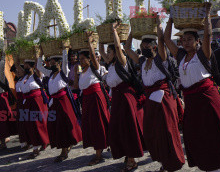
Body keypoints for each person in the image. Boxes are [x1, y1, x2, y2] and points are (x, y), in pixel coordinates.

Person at [164, 3, 220, 172]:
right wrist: (170, 18)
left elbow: (208, 35)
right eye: (183, 40)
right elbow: (167, 40)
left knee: (214, 134)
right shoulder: (181, 55)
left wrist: (206, 15)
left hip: (208, 100)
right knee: (198, 137)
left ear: (197, 41)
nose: (186, 42)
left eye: (190, 39)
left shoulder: (203, 54)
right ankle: (206, 166)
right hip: (192, 102)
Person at [125, 15, 185, 172]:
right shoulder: (142, 61)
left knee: (167, 131)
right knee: (154, 133)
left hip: (164, 99)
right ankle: (163, 161)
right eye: (142, 46)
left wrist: (159, 24)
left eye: (147, 46)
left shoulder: (161, 58)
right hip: (151, 101)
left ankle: (172, 162)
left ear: (154, 47)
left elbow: (161, 40)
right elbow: (126, 49)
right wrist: (132, 31)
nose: (144, 48)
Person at [100, 22, 144, 172]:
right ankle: (127, 156)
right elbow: (100, 52)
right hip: (118, 100)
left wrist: (114, 32)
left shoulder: (122, 62)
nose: (107, 54)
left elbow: (119, 48)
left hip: (126, 98)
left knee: (128, 128)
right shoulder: (110, 66)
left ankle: (131, 160)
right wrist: (99, 39)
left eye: (109, 52)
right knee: (118, 128)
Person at [37, 46, 82, 162]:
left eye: (53, 63)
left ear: (59, 63)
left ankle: (64, 150)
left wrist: (63, 49)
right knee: (56, 126)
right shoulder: (50, 74)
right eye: (50, 62)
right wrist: (40, 54)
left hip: (63, 102)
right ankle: (64, 147)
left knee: (65, 125)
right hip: (54, 103)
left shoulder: (63, 72)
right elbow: (38, 67)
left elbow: (65, 61)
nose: (51, 64)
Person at [74, 35, 110, 166]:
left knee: (98, 124)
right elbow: (77, 87)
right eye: (80, 59)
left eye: (83, 59)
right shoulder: (82, 71)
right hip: (87, 99)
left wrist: (90, 44)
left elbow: (94, 58)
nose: (81, 61)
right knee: (90, 125)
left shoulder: (94, 67)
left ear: (90, 59)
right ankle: (98, 150)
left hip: (96, 97)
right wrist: (75, 74)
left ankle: (99, 154)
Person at [21, 59, 50, 159]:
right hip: (27, 102)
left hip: (36, 101)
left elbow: (38, 67)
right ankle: (37, 144)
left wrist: (37, 55)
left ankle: (38, 146)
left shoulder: (37, 75)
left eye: (25, 64)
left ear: (31, 66)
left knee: (38, 123)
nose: (24, 66)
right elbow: (17, 66)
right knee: (30, 124)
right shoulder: (25, 77)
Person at [10, 63, 30, 151]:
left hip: (26, 102)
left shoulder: (28, 78)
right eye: (15, 71)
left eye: (18, 70)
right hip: (20, 104)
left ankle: (32, 141)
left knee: (28, 122)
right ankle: (25, 142)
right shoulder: (18, 80)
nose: (16, 72)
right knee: (21, 123)